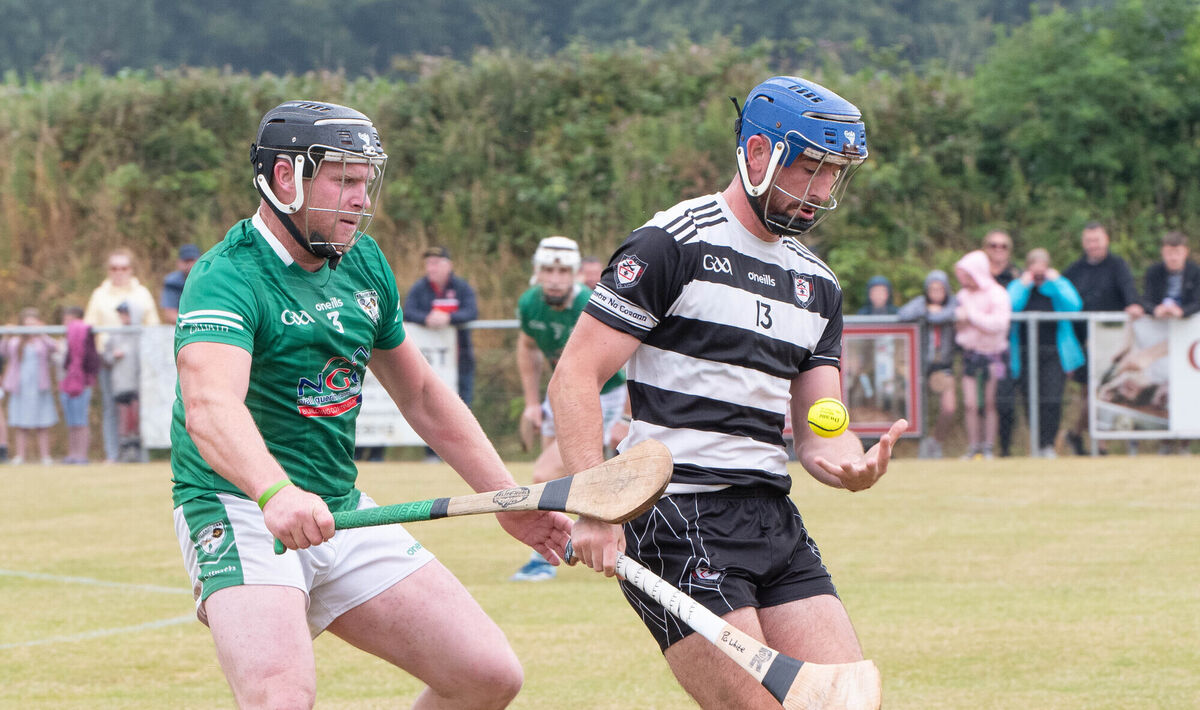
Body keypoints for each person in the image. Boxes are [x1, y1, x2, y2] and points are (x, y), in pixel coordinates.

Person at [170, 100, 571, 709]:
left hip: (340, 509)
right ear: (286, 178)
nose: (360, 199)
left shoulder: (363, 261)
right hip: (241, 507)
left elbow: (422, 394)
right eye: (344, 181)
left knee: (487, 676)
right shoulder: (226, 275)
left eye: (365, 181)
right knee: (282, 699)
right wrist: (275, 493)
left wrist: (507, 500)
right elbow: (209, 406)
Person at [547, 76, 906, 708]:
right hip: (676, 513)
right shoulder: (672, 243)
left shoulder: (818, 285)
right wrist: (596, 507)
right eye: (812, 169)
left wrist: (848, 461)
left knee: (844, 701)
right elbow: (574, 376)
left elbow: (821, 426)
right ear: (759, 153)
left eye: (834, 175)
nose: (823, 192)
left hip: (771, 516)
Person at [511, 235, 628, 582]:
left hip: (603, 394)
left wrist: (626, 416)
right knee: (559, 485)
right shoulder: (529, 303)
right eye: (548, 270)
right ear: (536, 271)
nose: (555, 279)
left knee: (544, 476)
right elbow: (527, 347)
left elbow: (634, 357)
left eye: (563, 271)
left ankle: (542, 560)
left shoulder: (591, 305)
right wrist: (532, 403)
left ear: (576, 274)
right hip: (560, 390)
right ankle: (564, 549)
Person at [1062, 221, 1140, 455]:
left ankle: (1097, 443)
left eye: (1096, 240)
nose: (1093, 245)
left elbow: (1129, 291)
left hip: (1111, 341)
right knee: (1088, 395)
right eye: (1088, 241)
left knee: (1102, 392)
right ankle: (1079, 435)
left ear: (1106, 240)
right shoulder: (1074, 270)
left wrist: (1133, 304)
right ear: (1083, 243)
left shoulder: (1117, 265)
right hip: (1083, 342)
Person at [1003, 248, 1084, 457]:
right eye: (1034, 266)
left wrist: (1058, 281)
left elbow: (1075, 305)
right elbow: (1009, 306)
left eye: (1042, 266)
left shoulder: (1056, 287)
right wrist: (1024, 284)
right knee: (1030, 400)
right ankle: (1037, 443)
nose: (1038, 271)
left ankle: (1048, 444)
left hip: (1054, 353)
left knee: (1053, 398)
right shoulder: (1019, 286)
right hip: (1024, 354)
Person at [402, 245, 479, 463]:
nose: (431, 268)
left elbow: (472, 311)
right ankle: (432, 455)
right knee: (431, 406)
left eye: (436, 263)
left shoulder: (461, 287)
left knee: (463, 404)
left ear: (448, 265)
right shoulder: (420, 288)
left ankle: (465, 453)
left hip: (461, 360)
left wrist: (449, 318)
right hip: (430, 362)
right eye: (428, 263)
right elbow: (408, 311)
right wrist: (426, 318)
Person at [85, 248, 160, 463]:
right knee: (111, 408)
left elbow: (153, 326)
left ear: (130, 269)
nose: (119, 272)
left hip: (138, 363)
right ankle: (113, 454)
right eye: (114, 268)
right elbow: (90, 326)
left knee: (139, 407)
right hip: (109, 361)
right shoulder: (99, 295)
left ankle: (140, 453)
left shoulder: (142, 293)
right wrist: (104, 353)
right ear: (109, 270)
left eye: (123, 268)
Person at [1128, 230, 1199, 454]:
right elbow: (1145, 300)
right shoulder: (1154, 273)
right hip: (1159, 338)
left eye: (1177, 252)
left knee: (1186, 390)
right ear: (1163, 252)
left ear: (1185, 252)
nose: (1173, 257)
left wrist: (1182, 312)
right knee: (1161, 388)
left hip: (1187, 340)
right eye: (1169, 252)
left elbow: (1197, 302)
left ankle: (1185, 442)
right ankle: (1162, 442)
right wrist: (1155, 310)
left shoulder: (1195, 272)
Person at [954, 249, 1012, 459]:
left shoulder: (998, 294)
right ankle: (973, 446)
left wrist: (972, 317)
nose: (965, 280)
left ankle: (988, 446)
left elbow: (998, 324)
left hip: (993, 355)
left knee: (990, 403)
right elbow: (960, 330)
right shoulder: (962, 296)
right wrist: (975, 322)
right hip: (971, 355)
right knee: (970, 404)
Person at [898, 270, 958, 458]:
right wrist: (926, 310)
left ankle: (936, 441)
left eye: (940, 289)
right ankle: (919, 447)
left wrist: (934, 315)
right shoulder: (921, 303)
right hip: (919, 366)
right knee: (917, 410)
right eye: (932, 289)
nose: (936, 292)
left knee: (949, 408)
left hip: (943, 366)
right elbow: (903, 314)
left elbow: (949, 314)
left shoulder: (953, 303)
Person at [3, 307, 59, 465]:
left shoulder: (42, 341)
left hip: (40, 386)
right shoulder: (15, 342)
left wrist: (43, 333)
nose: (30, 327)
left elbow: (55, 348)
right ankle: (20, 455)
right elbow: (3, 352)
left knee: (43, 422)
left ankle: (45, 456)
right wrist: (6, 335)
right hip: (20, 387)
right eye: (27, 324)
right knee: (21, 423)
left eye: (33, 324)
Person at [59, 306, 101, 464]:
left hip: (82, 383)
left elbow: (92, 361)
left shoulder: (85, 336)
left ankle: (81, 455)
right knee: (71, 422)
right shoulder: (64, 339)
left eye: (70, 320)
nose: (68, 323)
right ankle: (72, 454)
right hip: (66, 383)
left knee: (81, 421)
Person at [104, 302, 143, 462]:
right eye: (121, 314)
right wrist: (113, 356)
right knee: (124, 418)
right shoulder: (115, 335)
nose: (123, 317)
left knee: (136, 417)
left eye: (126, 313)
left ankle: (139, 451)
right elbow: (106, 357)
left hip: (139, 384)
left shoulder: (141, 334)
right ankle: (125, 451)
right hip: (121, 383)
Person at [160, 243, 202, 322]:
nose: (190, 265)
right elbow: (170, 315)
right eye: (186, 261)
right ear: (178, 263)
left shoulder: (207, 280)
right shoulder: (172, 283)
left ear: (200, 261)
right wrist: (192, 323)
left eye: (192, 260)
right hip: (182, 325)